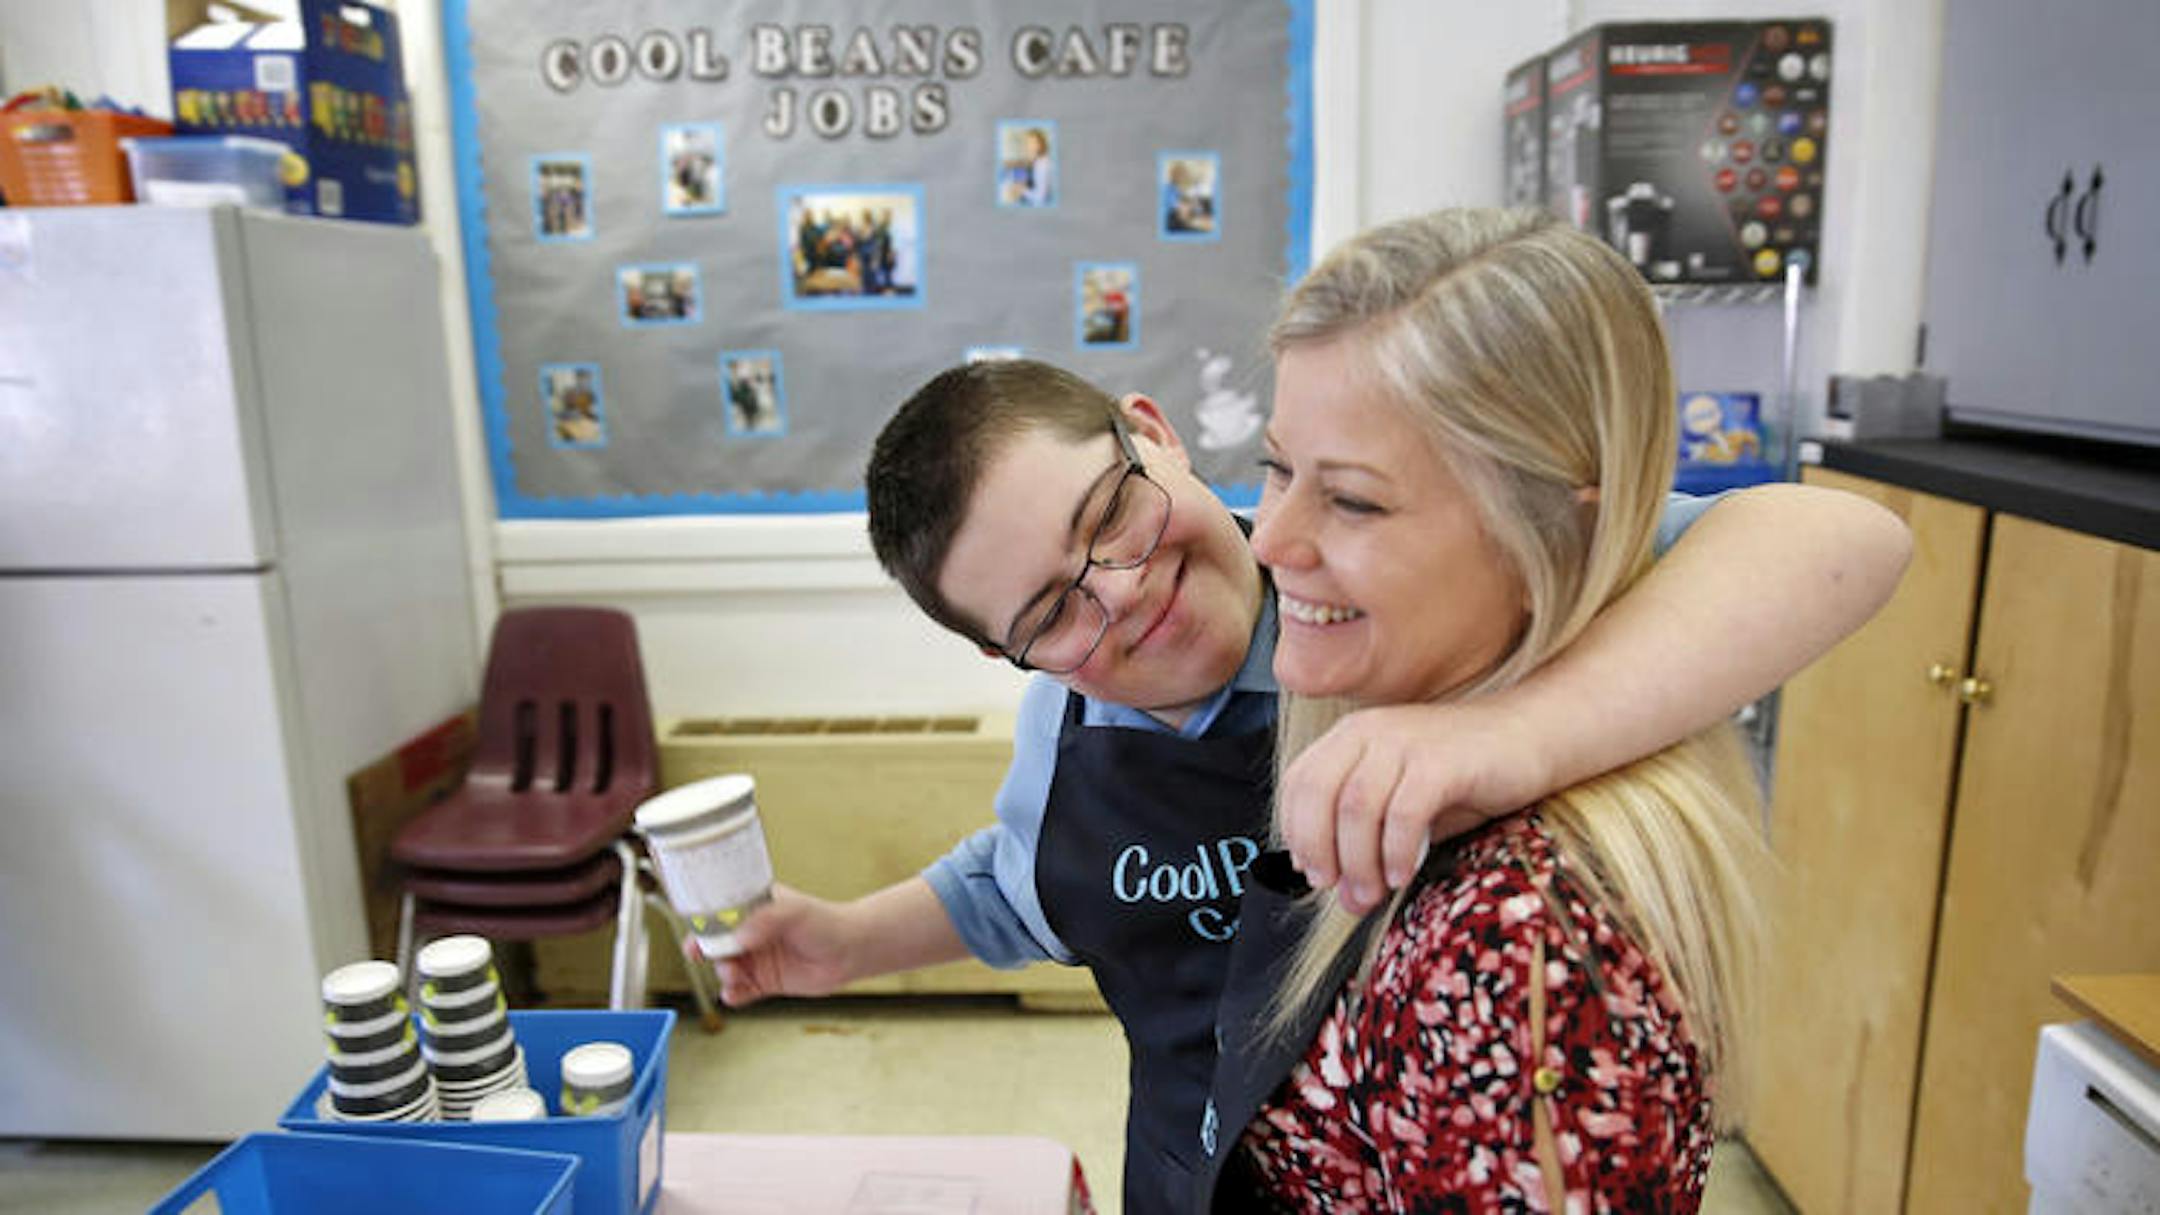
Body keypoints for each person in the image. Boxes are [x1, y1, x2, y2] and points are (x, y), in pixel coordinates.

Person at [696, 357, 1908, 1213]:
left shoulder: (1389, 594)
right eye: (1051, 612)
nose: (1119, 591)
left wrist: (1509, 736)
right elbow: (1017, 890)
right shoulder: (1061, 731)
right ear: (1003, 655)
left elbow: (1845, 543)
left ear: (1153, 431)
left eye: (1112, 511)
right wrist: (842, 944)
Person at [1196, 208, 1819, 1210]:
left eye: (1352, 501)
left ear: (1553, 542)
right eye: (1278, 469)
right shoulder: (1397, 731)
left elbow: (1834, 539)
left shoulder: (1525, 945)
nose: (1270, 539)